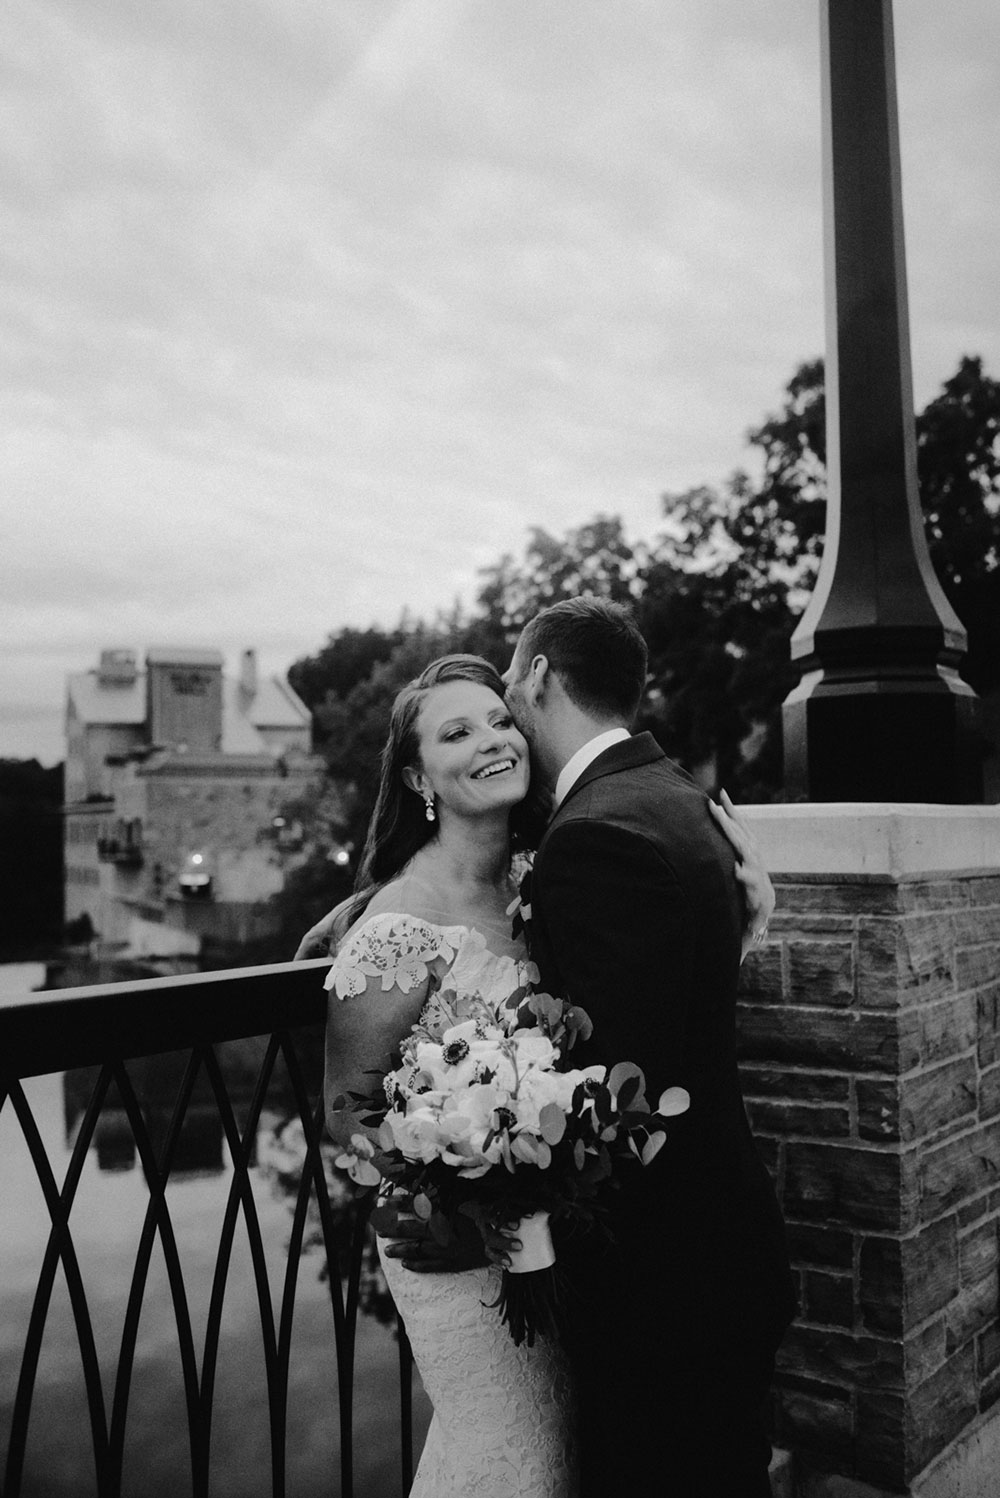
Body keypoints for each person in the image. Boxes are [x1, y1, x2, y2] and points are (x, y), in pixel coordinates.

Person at [305, 643, 779, 1496]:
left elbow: (633, 986)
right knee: (510, 1454)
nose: (492, 739)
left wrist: (744, 917)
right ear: (418, 777)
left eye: (498, 718)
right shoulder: (395, 929)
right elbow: (346, 1116)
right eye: (456, 732)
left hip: (563, 1244)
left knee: (575, 1454)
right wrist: (465, 1187)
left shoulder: (543, 874)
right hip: (462, 1251)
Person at [501, 597, 796, 1498]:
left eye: (511, 679)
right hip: (722, 1248)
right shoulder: (685, 801)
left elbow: (612, 1098)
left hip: (663, 1288)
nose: (509, 697)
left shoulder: (594, 835)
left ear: (543, 675)